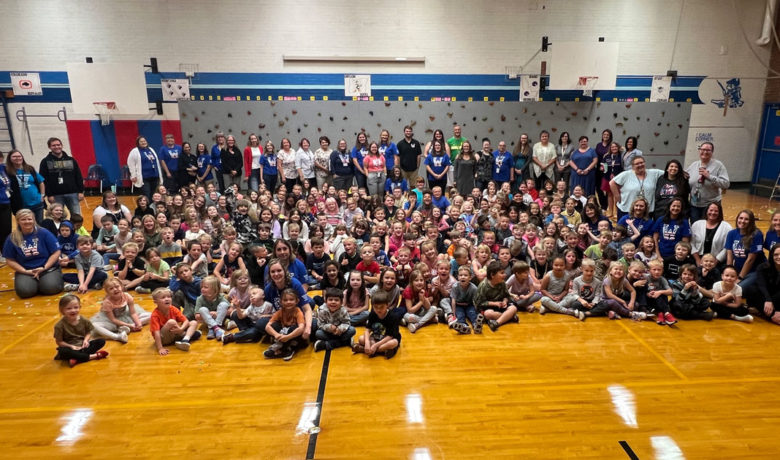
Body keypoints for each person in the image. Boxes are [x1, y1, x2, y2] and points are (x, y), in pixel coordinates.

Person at [3, 209, 62, 298]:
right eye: (23, 219)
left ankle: (44, 281)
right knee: (25, 292)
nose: (27, 222)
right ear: (18, 221)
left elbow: (56, 252)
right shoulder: (12, 237)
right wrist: (25, 271)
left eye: (29, 219)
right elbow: (9, 259)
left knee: (51, 288)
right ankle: (34, 283)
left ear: (34, 220)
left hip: (46, 268)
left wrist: (44, 267)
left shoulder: (44, 233)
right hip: (26, 270)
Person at [53, 294, 108, 367]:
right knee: (63, 351)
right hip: (70, 348)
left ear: (80, 307)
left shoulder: (84, 320)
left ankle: (77, 358)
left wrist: (85, 340)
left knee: (101, 341)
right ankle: (92, 356)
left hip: (82, 346)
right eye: (69, 308)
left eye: (76, 307)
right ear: (62, 310)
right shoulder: (59, 325)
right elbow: (59, 342)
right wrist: (71, 346)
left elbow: (88, 332)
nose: (73, 310)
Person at [91, 278, 150, 343]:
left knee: (150, 315)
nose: (115, 289)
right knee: (94, 325)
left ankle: (131, 326)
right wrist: (128, 325)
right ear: (107, 291)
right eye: (111, 288)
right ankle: (117, 336)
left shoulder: (127, 296)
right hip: (111, 321)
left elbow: (133, 313)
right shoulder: (107, 303)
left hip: (125, 316)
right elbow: (113, 319)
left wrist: (138, 323)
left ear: (121, 286)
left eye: (117, 286)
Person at [38, 137, 84, 217]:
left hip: (72, 193)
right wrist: (49, 195)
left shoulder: (71, 160)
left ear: (62, 145)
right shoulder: (45, 162)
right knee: (57, 217)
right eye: (54, 145)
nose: (56, 147)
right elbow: (44, 180)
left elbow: (78, 175)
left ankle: (76, 230)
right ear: (49, 147)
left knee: (77, 217)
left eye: (58, 145)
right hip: (56, 196)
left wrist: (80, 191)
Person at [149, 287, 201, 355]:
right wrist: (160, 348)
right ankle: (187, 334)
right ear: (155, 302)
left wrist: (181, 329)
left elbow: (186, 321)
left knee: (193, 322)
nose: (167, 299)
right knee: (171, 322)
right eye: (163, 297)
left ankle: (185, 339)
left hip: (175, 334)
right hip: (163, 339)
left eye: (169, 297)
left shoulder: (173, 309)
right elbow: (157, 333)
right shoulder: (155, 315)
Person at [686, 142, 730, 222]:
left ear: (712, 152)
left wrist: (709, 176)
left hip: (711, 205)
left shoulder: (718, 165)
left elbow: (726, 184)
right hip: (695, 205)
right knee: (695, 228)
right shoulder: (694, 165)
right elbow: (686, 179)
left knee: (711, 228)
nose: (705, 152)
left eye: (708, 150)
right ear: (699, 151)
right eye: (702, 149)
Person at [352, 289, 400, 359]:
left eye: (381, 307)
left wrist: (375, 346)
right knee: (361, 339)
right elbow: (367, 330)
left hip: (387, 339)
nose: (378, 310)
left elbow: (390, 336)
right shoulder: (373, 314)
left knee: (393, 343)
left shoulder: (393, 317)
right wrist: (367, 342)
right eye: (376, 307)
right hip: (376, 337)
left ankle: (363, 349)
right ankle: (382, 351)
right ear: (372, 306)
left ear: (387, 305)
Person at [725, 209, 766, 291]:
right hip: (738, 269)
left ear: (751, 222)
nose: (743, 221)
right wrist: (729, 273)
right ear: (737, 219)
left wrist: (740, 277)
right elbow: (729, 255)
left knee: (738, 289)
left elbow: (750, 259)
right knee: (725, 285)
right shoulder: (731, 233)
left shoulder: (757, 234)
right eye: (741, 218)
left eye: (746, 219)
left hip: (754, 271)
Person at [473, 260, 519, 331]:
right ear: (492, 275)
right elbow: (479, 303)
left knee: (513, 308)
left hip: (501, 307)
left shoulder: (502, 283)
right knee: (488, 314)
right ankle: (510, 318)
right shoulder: (483, 286)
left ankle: (497, 323)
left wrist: (504, 301)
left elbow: (507, 295)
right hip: (489, 308)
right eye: (502, 273)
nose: (505, 275)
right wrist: (494, 303)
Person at [263, 288, 305, 360]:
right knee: (274, 325)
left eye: (291, 299)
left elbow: (301, 328)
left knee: (295, 328)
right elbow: (267, 326)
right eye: (285, 300)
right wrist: (276, 335)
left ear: (297, 301)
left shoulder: (298, 312)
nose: (288, 302)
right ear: (281, 302)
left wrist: (288, 337)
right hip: (282, 335)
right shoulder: (279, 312)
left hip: (293, 337)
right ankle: (284, 348)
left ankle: (283, 349)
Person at [6, 149, 46, 223]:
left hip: (37, 203)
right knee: (25, 226)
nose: (17, 158)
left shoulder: (30, 169)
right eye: (14, 156)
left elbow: (41, 182)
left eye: (19, 156)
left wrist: (42, 195)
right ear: (10, 159)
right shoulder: (7, 172)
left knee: (39, 225)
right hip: (21, 206)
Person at [313, 287, 356, 352]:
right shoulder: (321, 310)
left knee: (352, 330)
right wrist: (329, 327)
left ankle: (327, 344)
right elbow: (320, 324)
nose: (333, 302)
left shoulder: (343, 310)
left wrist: (340, 329)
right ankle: (346, 341)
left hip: (340, 333)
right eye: (330, 300)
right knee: (318, 333)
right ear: (325, 301)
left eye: (336, 300)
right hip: (328, 333)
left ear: (341, 302)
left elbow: (346, 322)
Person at [752, 245, 780, 325]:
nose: (779, 257)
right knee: (752, 290)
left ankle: (770, 314)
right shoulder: (762, 267)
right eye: (776, 254)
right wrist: (768, 300)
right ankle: (773, 315)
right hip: (766, 297)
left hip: (778, 298)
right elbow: (762, 285)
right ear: (771, 255)